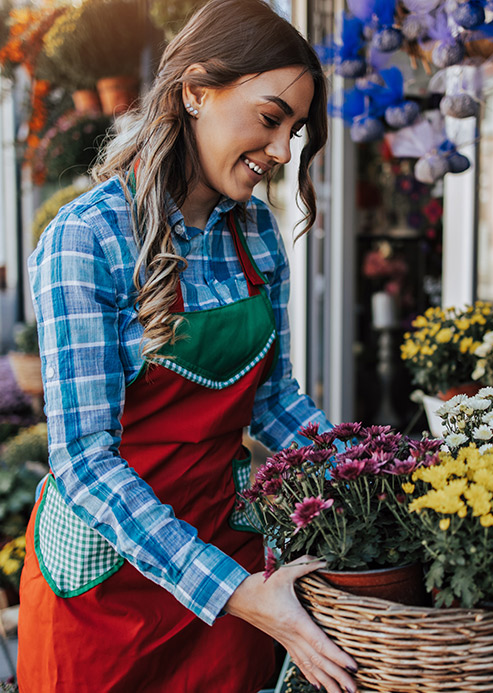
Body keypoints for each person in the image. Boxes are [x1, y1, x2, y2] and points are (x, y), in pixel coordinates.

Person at [17, 1, 358, 691]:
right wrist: (237, 589)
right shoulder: (88, 238)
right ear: (196, 90)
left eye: (296, 129)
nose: (283, 151)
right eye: (271, 118)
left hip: (226, 559)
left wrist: (374, 473)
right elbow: (84, 461)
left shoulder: (256, 230)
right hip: (109, 585)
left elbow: (274, 400)